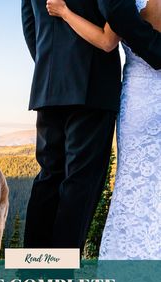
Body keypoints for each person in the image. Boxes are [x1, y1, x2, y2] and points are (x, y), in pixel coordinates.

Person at [22, 0, 161, 251]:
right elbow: (116, 14)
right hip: (92, 85)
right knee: (80, 184)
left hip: (50, 86)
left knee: (47, 178)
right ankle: (59, 280)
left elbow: (29, 26)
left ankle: (30, 274)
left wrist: (54, 68)